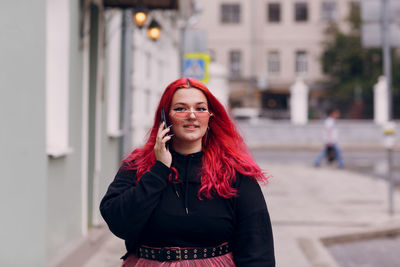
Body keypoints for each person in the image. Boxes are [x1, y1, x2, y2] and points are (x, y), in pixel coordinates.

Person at [100, 77, 275, 267]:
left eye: (200, 108)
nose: (192, 115)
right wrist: (159, 170)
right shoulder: (137, 166)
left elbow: (257, 247)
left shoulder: (234, 172)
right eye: (181, 108)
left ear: (210, 116)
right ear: (165, 117)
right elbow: (119, 223)